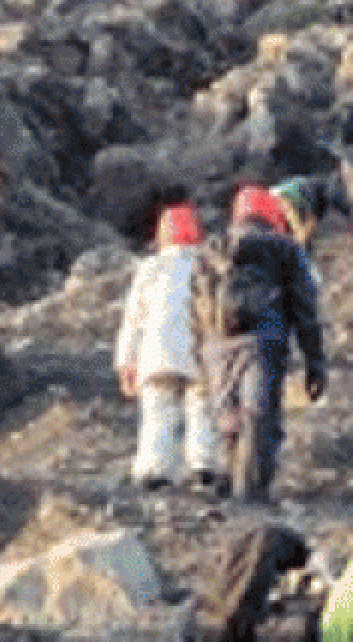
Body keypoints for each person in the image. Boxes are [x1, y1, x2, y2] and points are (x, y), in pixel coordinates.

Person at [191, 185, 328, 502]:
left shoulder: (211, 249)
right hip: (263, 340)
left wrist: (201, 356)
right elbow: (305, 308)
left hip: (216, 344)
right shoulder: (284, 248)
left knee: (229, 416)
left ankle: (232, 480)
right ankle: (250, 494)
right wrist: (314, 362)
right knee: (259, 415)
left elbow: (194, 306)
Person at [115, 202, 217, 492]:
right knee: (201, 408)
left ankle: (155, 471)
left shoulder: (150, 268)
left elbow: (133, 320)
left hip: (157, 352)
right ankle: (203, 467)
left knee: (158, 411)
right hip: (200, 351)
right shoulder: (207, 265)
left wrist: (126, 362)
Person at [270, 172, 353, 254]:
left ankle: (352, 211)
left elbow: (309, 222)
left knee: (331, 195)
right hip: (301, 198)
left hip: (308, 192)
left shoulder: (280, 202)